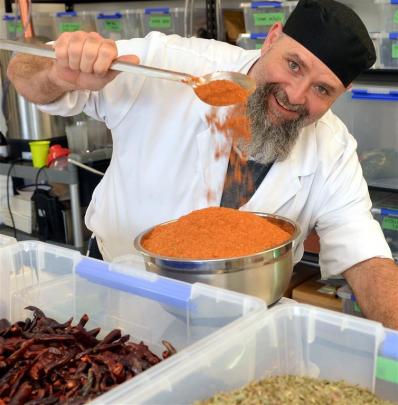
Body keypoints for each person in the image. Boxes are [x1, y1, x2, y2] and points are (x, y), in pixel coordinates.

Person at [7, 0, 398, 328]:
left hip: (236, 327)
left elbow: (367, 260)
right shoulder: (168, 63)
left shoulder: (332, 147)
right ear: (272, 38)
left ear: (342, 94)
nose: (295, 95)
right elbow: (22, 70)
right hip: (118, 300)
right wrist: (59, 72)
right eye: (294, 65)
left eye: (322, 89)